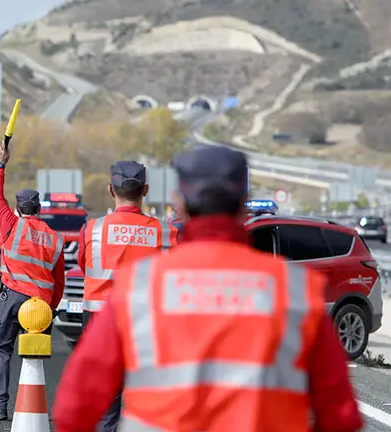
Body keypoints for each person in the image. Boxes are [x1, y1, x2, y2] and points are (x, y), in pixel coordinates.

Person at [52, 146, 363, 432]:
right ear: (244, 202)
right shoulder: (295, 290)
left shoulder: (140, 288)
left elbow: (73, 409)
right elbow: (341, 416)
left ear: (180, 202)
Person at [74, 160, 178, 431]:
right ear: (145, 190)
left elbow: (84, 266)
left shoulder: (92, 230)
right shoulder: (166, 233)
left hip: (99, 320)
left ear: (111, 190)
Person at [0, 140, 66, 421]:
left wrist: (0, 164)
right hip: (41, 303)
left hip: (13, 297)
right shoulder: (55, 238)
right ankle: (35, 406)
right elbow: (59, 280)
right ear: (39, 209)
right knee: (34, 356)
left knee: (0, 349)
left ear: (18, 208)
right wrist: (51, 308)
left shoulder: (11, 224)